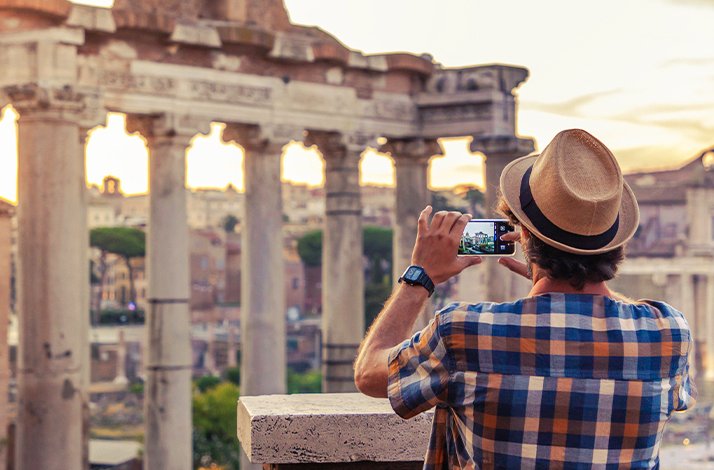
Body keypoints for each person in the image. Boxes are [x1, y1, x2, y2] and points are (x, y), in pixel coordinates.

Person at [354, 129, 696, 469]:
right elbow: (613, 315)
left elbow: (368, 373)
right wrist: (567, 283)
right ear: (614, 243)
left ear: (525, 236)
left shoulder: (463, 332)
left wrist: (420, 275)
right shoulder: (668, 334)